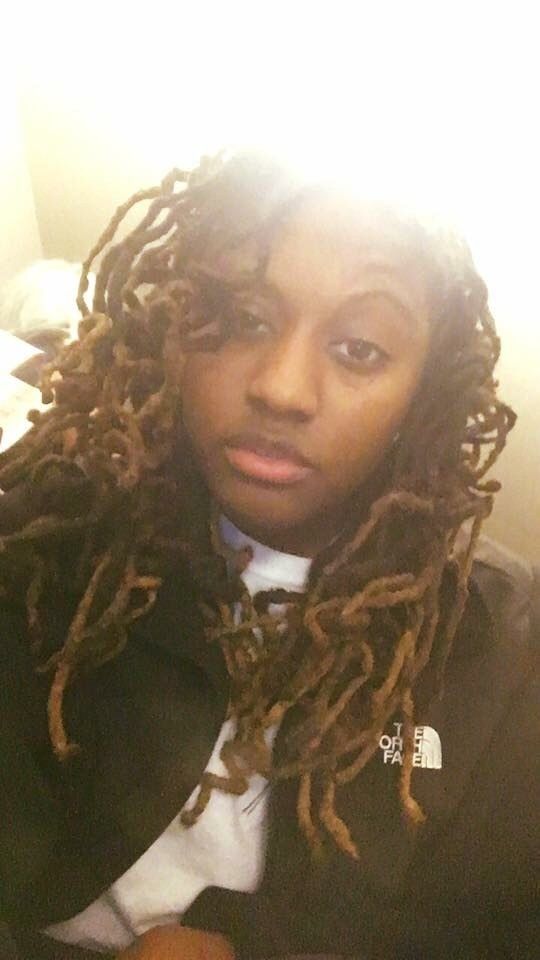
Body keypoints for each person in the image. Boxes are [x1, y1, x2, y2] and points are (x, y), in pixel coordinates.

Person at [0, 153, 537, 960]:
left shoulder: (502, 655)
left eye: (359, 349)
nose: (283, 389)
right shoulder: (56, 532)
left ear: (423, 391)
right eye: (246, 320)